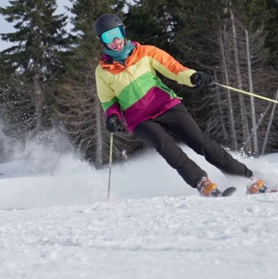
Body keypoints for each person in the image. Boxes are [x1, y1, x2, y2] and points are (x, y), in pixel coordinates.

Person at [93, 13, 269, 197]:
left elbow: (174, 68)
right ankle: (202, 182)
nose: (114, 41)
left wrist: (192, 77)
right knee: (166, 147)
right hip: (138, 119)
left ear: (123, 32)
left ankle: (246, 179)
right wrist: (112, 116)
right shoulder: (103, 71)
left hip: (165, 105)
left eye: (116, 34)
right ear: (102, 41)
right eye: (107, 37)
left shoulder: (146, 52)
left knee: (200, 142)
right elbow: (108, 100)